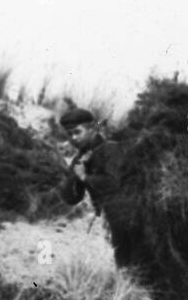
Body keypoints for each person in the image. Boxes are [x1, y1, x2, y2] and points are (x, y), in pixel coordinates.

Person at [57, 108, 145, 271]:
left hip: (130, 217)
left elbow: (115, 183)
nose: (73, 138)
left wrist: (85, 177)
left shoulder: (111, 149)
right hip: (109, 219)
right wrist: (74, 177)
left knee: (132, 267)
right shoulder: (80, 158)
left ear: (92, 129)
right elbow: (71, 198)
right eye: (69, 134)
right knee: (123, 267)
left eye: (77, 132)